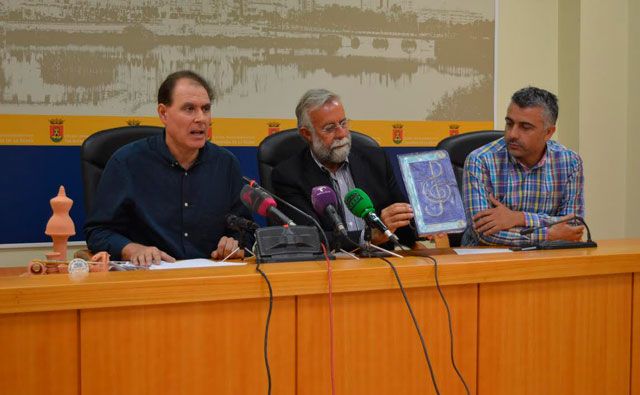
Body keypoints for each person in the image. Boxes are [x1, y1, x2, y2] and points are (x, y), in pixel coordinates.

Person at [85, 70, 252, 265]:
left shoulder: (225, 164)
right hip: (148, 280)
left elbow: (246, 231)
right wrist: (132, 249)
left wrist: (236, 244)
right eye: (189, 109)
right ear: (163, 113)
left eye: (205, 109)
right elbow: (98, 232)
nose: (201, 119)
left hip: (210, 279)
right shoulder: (127, 163)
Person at [271, 89, 421, 250]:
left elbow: (405, 226)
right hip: (329, 268)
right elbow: (306, 238)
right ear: (307, 134)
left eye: (343, 123)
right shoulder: (288, 176)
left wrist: (427, 225)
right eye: (329, 128)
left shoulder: (375, 160)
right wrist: (368, 237)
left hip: (381, 263)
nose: (341, 133)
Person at [462, 86, 585, 246]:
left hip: (546, 260)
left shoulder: (570, 162)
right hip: (489, 259)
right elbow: (484, 233)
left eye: (525, 127)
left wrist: (519, 218)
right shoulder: (480, 161)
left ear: (548, 132)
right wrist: (548, 233)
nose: (512, 134)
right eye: (509, 123)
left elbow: (573, 226)